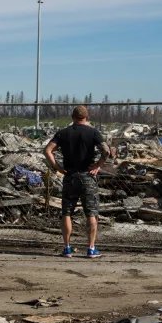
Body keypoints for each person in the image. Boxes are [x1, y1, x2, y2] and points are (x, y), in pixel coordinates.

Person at [44, 105, 111, 258]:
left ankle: (67, 248)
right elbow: (106, 151)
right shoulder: (93, 132)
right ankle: (91, 249)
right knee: (91, 213)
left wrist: (58, 167)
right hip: (87, 176)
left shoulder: (63, 133)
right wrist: (98, 165)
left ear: (72, 117)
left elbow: (47, 150)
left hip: (70, 176)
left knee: (66, 212)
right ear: (87, 118)